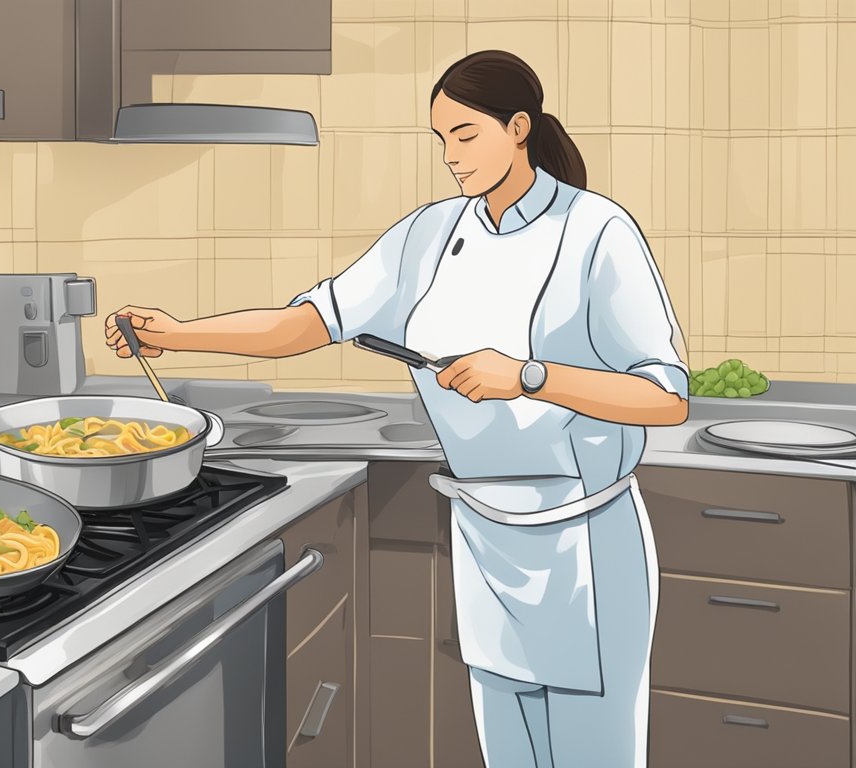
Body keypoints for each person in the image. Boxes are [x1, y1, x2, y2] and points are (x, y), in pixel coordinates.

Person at [104, 49, 690, 767]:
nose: (450, 155)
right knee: (509, 754)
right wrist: (178, 334)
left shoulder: (598, 231)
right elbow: (309, 321)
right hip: (489, 539)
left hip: (585, 549)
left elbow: (665, 399)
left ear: (518, 128)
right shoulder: (432, 233)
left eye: (465, 135)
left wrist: (528, 376)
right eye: (440, 138)